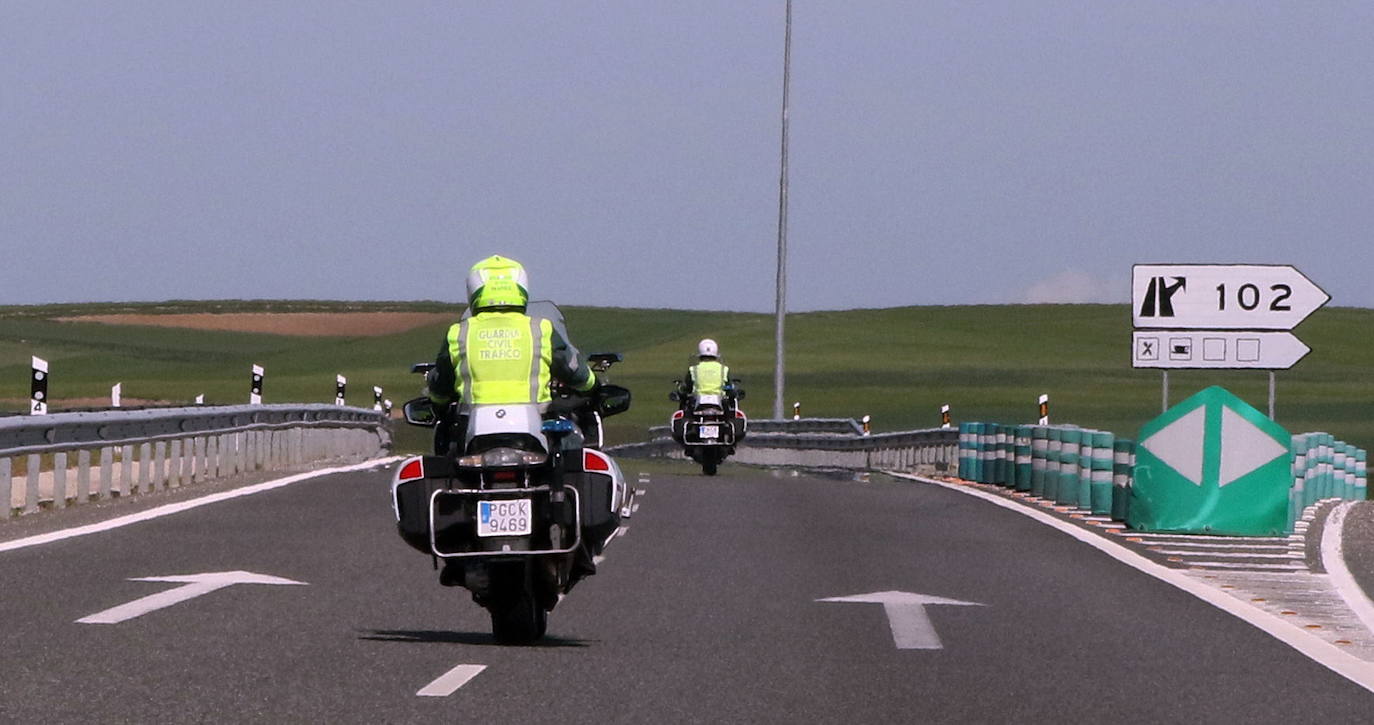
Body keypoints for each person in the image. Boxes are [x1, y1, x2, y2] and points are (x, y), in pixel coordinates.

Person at [426, 255, 598, 452]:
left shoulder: (458, 333)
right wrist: (592, 386)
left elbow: (441, 384)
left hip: (473, 430)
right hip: (537, 425)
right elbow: (574, 370)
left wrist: (438, 404)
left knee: (448, 451)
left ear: (473, 290)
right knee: (571, 448)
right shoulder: (540, 329)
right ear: (521, 287)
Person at [679, 338, 733, 405]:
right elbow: (728, 387)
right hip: (720, 402)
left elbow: (688, 387)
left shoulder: (693, 369)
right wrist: (729, 388)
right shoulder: (724, 369)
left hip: (697, 402)